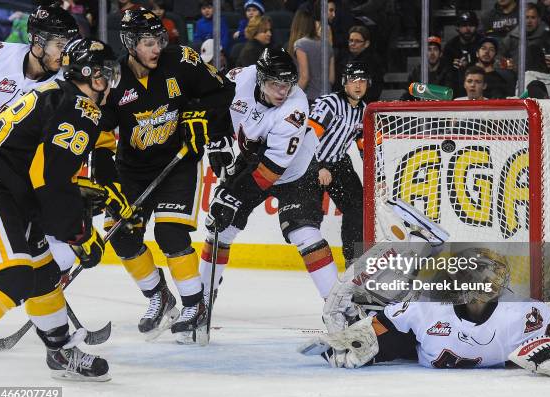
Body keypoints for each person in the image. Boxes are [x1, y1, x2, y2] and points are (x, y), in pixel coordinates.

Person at [300, 202, 550, 376]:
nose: (487, 286)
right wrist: (356, 341)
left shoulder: (524, 314)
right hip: (413, 338)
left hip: (412, 343)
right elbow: (381, 329)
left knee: (347, 305)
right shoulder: (523, 314)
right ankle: (419, 243)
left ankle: (420, 242)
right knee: (353, 305)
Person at [0, 37, 124, 381]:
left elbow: (41, 170)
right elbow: (48, 178)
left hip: (11, 189)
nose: (109, 82)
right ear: (92, 75)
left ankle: (60, 351)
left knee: (43, 274)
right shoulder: (81, 107)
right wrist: (79, 233)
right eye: (106, 73)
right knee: (14, 276)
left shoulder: (57, 92)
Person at [101, 9, 235, 343]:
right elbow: (101, 127)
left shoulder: (183, 61)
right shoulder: (113, 77)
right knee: (121, 235)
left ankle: (195, 305)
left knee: (170, 235)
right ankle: (158, 297)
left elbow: (221, 92)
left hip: (178, 162)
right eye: (148, 43)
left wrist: (197, 118)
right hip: (131, 169)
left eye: (159, 40)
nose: (156, 48)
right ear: (130, 44)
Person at [200, 49, 339, 319]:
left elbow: (270, 172)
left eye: (287, 84)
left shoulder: (294, 110)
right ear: (261, 79)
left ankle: (338, 308)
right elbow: (213, 103)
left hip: (295, 170)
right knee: (220, 226)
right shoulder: (241, 78)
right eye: (276, 84)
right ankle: (201, 302)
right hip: (253, 159)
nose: (282, 91)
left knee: (303, 233)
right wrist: (217, 139)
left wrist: (233, 196)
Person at [0, 5, 82, 289]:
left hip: (18, 178)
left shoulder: (67, 85)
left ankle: (48, 311)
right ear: (37, 42)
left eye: (69, 45)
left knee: (56, 259)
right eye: (59, 44)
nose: (64, 53)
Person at [308, 62, 369, 267]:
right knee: (309, 218)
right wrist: (318, 166)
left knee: (358, 207)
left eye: (362, 81)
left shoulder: (364, 110)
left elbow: (363, 146)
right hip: (312, 163)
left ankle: (354, 259)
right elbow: (307, 138)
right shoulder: (330, 103)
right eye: (353, 81)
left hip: (339, 163)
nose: (358, 85)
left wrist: (377, 176)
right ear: (344, 83)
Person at [294, 7, 334, 105]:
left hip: (308, 99)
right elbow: (331, 78)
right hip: (327, 99)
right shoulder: (327, 45)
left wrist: (292, 97)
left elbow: (304, 77)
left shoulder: (300, 44)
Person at [334, 25, 383, 103]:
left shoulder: (373, 62)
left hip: (365, 103)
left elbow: (375, 87)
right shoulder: (342, 59)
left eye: (357, 41)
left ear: (366, 43)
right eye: (351, 40)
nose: (352, 44)